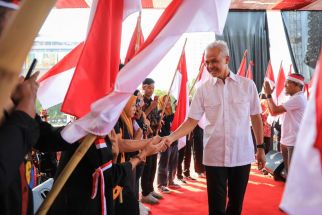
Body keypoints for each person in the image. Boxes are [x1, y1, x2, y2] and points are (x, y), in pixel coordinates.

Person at [161, 40, 265, 215]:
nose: (209, 66)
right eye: (207, 62)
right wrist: (171, 137)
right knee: (216, 208)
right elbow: (191, 121)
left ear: (227, 59)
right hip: (214, 156)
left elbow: (256, 117)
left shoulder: (248, 86)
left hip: (241, 155)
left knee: (235, 205)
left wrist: (261, 147)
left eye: (214, 61)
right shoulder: (202, 90)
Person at [263, 73, 307, 175]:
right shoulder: (292, 98)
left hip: (294, 142)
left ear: (296, 85)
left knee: (293, 175)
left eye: (287, 83)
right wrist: (268, 95)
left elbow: (274, 111)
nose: (285, 85)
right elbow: (273, 113)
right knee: (289, 173)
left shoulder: (298, 98)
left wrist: (268, 94)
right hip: (288, 141)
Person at [140, 78, 163, 204]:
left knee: (153, 163)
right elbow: (140, 117)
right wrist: (151, 107)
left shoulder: (154, 101)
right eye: (149, 87)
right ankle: (145, 193)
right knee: (147, 165)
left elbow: (154, 117)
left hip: (154, 135)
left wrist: (159, 123)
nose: (151, 90)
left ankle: (150, 189)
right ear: (143, 87)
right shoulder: (140, 100)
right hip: (145, 137)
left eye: (153, 88)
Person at [157, 95, 179, 193]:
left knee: (173, 162)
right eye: (165, 101)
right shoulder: (160, 114)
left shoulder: (173, 114)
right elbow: (160, 129)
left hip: (174, 141)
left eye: (169, 100)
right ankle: (161, 184)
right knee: (164, 162)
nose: (168, 103)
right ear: (161, 102)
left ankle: (171, 180)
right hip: (165, 141)